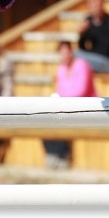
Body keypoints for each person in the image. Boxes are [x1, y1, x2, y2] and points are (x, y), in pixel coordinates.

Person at [43, 40, 98, 169]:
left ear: (71, 52)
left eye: (66, 52)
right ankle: (54, 156)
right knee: (46, 120)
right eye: (62, 53)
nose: (64, 55)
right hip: (68, 106)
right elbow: (59, 89)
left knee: (61, 121)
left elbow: (82, 90)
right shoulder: (61, 68)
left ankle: (62, 157)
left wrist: (63, 100)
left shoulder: (81, 64)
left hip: (86, 106)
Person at [74, 0, 109, 74]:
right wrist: (82, 34)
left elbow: (108, 49)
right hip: (95, 60)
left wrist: (91, 54)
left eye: (97, 5)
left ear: (102, 5)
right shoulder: (88, 21)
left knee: (76, 55)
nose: (95, 8)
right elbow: (82, 47)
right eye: (92, 5)